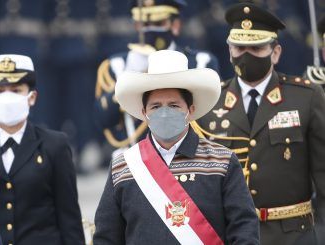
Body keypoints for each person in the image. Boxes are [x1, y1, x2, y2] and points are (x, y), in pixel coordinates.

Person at [93, 50, 259, 244]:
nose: (164, 113)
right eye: (155, 106)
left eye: (173, 106)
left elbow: (244, 230)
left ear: (191, 110)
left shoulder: (222, 162)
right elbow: (106, 237)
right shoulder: (123, 166)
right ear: (143, 112)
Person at [195, 2, 325, 245]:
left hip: (295, 235)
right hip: (231, 235)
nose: (246, 54)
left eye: (256, 47)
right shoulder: (210, 103)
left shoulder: (306, 97)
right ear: (229, 50)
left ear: (275, 53)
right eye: (239, 47)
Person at [93, 0, 220, 160]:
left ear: (175, 25)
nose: (149, 29)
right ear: (137, 26)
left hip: (189, 158)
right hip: (138, 162)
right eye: (144, 23)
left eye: (158, 22)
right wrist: (131, 77)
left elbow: (212, 115)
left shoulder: (200, 62)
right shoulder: (119, 65)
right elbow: (103, 119)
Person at [0, 54, 85, 244]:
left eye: (15, 90)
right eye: (0, 90)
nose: (6, 97)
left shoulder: (54, 145)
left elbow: (69, 219)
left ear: (32, 97)